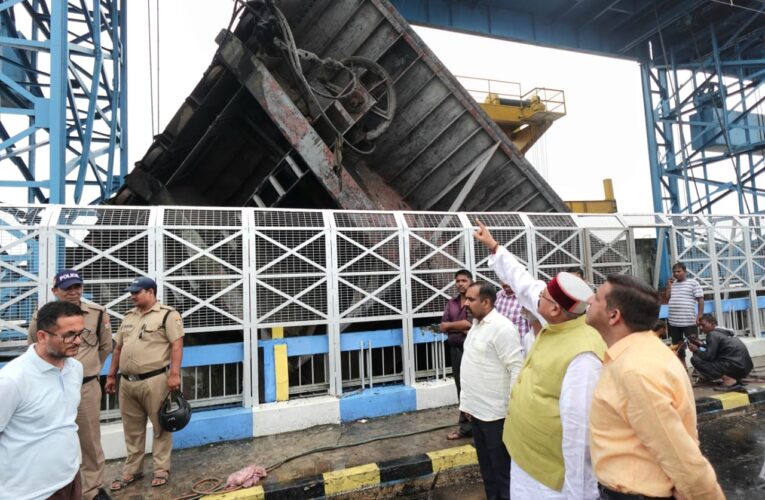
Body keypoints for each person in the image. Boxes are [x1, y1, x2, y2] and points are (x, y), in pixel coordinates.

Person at [473, 220, 605, 499]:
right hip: (526, 459)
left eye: (542, 296)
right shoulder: (558, 317)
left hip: (554, 482)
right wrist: (493, 246)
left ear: (555, 309)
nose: (536, 296)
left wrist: (576, 493)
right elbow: (524, 282)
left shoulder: (583, 355)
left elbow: (578, 434)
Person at [586, 274, 724, 500]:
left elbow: (681, 457)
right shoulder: (639, 353)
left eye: (597, 297)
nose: (589, 300)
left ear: (613, 315)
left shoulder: (635, 371)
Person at [27, 269, 113, 500]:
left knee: (90, 441)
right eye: (68, 289)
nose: (74, 292)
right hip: (51, 387)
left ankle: (92, 491)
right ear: (55, 291)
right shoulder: (43, 317)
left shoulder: (96, 313)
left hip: (85, 387)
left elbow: (105, 347)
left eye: (77, 287)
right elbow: (34, 346)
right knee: (52, 437)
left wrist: (88, 368)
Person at [1, 301, 85, 499]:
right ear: (42, 336)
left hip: (70, 479)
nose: (78, 341)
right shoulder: (12, 380)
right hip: (28, 492)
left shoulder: (75, 369)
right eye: (69, 335)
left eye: (81, 333)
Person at [106, 277, 184, 491]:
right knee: (131, 429)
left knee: (161, 426)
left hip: (155, 380)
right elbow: (118, 348)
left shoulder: (167, 314)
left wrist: (174, 374)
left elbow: (176, 345)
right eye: (131, 292)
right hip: (127, 382)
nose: (132, 295)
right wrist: (111, 375)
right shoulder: (128, 316)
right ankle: (133, 470)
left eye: (136, 292)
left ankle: (161, 469)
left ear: (150, 292)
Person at [460, 282, 524, 500]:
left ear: (486, 302)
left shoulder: (502, 327)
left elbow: (516, 368)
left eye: (471, 299)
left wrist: (512, 408)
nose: (465, 303)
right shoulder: (477, 325)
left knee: (502, 472)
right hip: (477, 411)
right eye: (465, 299)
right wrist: (467, 405)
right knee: (487, 471)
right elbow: (474, 366)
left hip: (497, 415)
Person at [439, 269, 473, 440]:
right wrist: (460, 326)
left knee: (474, 386)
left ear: (471, 282)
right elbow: (443, 324)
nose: (460, 284)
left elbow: (471, 323)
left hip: (472, 351)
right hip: (456, 350)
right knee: (461, 388)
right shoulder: (451, 302)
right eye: (458, 281)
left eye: (464, 280)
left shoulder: (474, 301)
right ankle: (466, 426)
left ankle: (475, 426)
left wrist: (451, 326)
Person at [690, 314, 753, 391]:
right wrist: (701, 345)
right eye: (699, 325)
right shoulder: (724, 332)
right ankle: (734, 377)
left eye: (703, 325)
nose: (700, 328)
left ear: (712, 324)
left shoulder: (712, 334)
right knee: (717, 358)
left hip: (735, 367)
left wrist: (696, 350)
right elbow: (715, 349)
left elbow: (708, 356)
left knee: (695, 359)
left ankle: (729, 380)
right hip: (744, 369)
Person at [666, 262, 704, 362]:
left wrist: (699, 316)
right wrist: (669, 287)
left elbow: (701, 299)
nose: (676, 273)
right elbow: (667, 298)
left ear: (685, 272)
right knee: (678, 346)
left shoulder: (693, 283)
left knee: (694, 344)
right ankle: (683, 367)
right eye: (674, 272)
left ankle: (700, 367)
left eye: (679, 271)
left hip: (689, 321)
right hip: (674, 322)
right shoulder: (673, 284)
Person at [494, 281, 533, 357]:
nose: (505, 283)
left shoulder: (526, 298)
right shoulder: (497, 297)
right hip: (501, 351)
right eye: (502, 279)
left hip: (521, 352)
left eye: (508, 279)